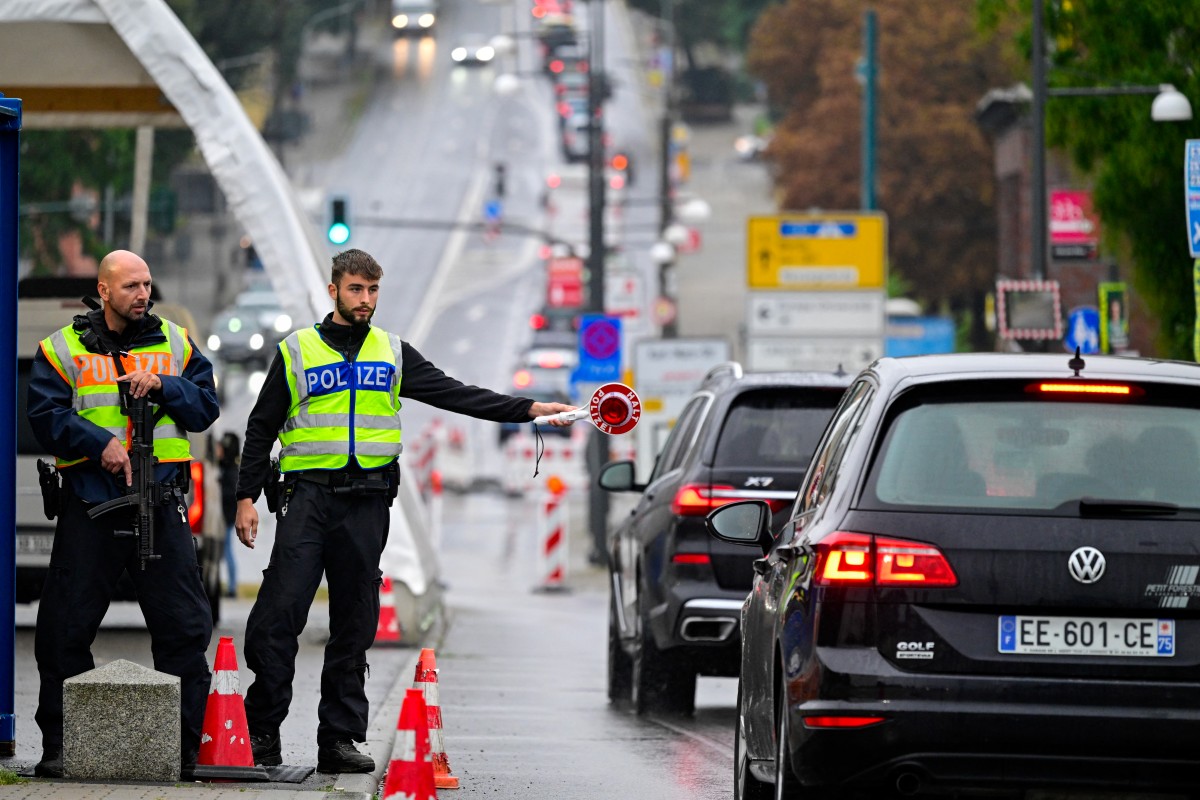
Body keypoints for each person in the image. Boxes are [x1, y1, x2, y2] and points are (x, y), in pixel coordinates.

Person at [235, 248, 576, 773]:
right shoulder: (298, 350)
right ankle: (262, 734)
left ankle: (341, 741)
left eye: (372, 291)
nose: (365, 300)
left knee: (355, 623)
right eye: (355, 290)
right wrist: (245, 498)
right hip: (306, 501)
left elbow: (457, 395)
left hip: (366, 504)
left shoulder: (392, 352)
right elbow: (261, 429)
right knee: (278, 617)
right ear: (334, 291)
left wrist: (529, 409)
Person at [27, 249, 220, 778]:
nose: (143, 295)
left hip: (159, 503)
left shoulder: (174, 342)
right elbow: (45, 415)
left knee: (184, 628)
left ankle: (185, 749)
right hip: (92, 502)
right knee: (63, 630)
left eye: (147, 284)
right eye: (132, 286)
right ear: (105, 290)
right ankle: (62, 747)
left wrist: (165, 386)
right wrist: (98, 444)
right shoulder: (61, 348)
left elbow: (206, 407)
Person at [217, 431, 241, 597]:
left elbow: (230, 494)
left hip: (226, 517)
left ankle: (232, 587)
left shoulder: (230, 470)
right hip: (226, 516)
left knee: (226, 550)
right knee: (225, 550)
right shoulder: (227, 468)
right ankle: (230, 586)